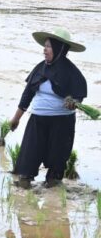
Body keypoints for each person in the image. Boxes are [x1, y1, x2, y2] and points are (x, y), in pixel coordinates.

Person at [9, 28, 87, 188]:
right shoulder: (40, 68)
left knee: (57, 155)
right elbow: (27, 95)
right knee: (30, 152)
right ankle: (24, 181)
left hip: (62, 122)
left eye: (48, 46)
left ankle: (53, 181)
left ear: (59, 49)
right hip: (38, 119)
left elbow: (79, 95)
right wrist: (16, 118)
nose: (44, 50)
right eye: (44, 46)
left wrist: (74, 101)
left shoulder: (71, 72)